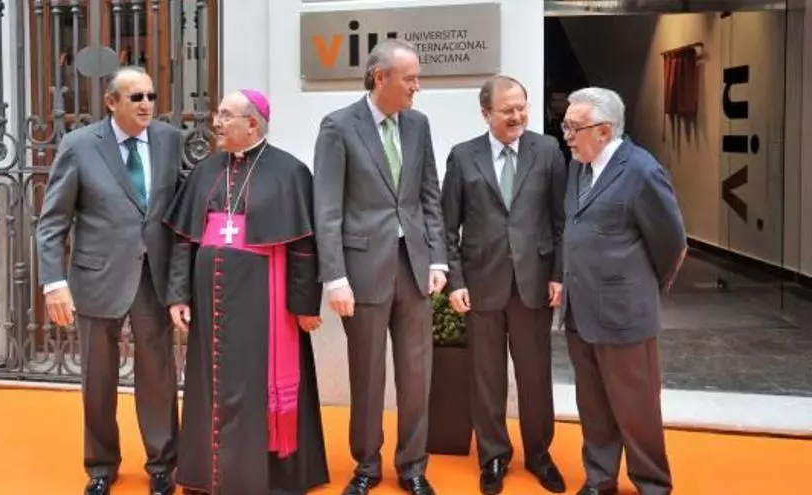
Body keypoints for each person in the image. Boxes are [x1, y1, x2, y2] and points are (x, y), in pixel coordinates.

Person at [163, 89, 329, 495]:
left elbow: (303, 246)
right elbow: (184, 239)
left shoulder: (290, 172)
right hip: (210, 297)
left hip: (264, 299)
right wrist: (178, 294)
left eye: (225, 115)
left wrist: (304, 304)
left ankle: (268, 474)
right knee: (209, 380)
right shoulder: (205, 170)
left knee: (259, 380)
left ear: (252, 123)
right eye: (217, 114)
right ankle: (207, 472)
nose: (216, 123)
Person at [36, 66, 181, 495]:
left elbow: (181, 209)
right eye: (136, 97)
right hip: (96, 277)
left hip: (152, 278)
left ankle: (163, 465)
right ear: (111, 102)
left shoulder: (169, 140)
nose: (146, 105)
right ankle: (101, 465)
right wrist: (53, 282)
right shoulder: (80, 145)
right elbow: (52, 222)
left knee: (158, 375)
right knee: (98, 378)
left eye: (151, 96)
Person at [313, 38, 447, 495]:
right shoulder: (338, 126)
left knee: (417, 376)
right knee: (367, 376)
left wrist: (438, 257)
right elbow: (327, 208)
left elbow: (429, 195)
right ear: (380, 77)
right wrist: (335, 277)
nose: (417, 86)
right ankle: (366, 466)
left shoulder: (418, 125)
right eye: (410, 78)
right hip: (362, 272)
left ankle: (413, 467)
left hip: (414, 269)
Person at [440, 75, 567, 495]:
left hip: (534, 283)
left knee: (535, 377)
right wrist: (455, 282)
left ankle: (540, 454)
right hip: (481, 284)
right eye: (507, 110)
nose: (517, 116)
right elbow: (447, 227)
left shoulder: (548, 151)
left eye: (521, 107)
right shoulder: (463, 157)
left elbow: (561, 220)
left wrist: (558, 274)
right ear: (486, 114)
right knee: (486, 377)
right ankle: (493, 456)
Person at [560, 87, 686, 495]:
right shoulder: (579, 166)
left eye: (575, 128)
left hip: (624, 313)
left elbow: (672, 242)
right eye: (565, 126)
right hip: (580, 311)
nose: (567, 136)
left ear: (604, 130)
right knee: (592, 405)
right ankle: (599, 480)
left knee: (637, 407)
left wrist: (642, 290)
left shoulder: (641, 171)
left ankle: (652, 484)